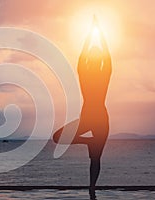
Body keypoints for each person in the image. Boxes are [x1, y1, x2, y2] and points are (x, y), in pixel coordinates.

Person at [53, 16, 112, 199]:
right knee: (60, 138)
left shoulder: (86, 76)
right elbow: (105, 57)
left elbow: (85, 57)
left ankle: (92, 190)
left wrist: (91, 33)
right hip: (96, 117)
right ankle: (92, 189)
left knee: (94, 157)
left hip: (93, 117)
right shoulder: (97, 76)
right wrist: (99, 32)